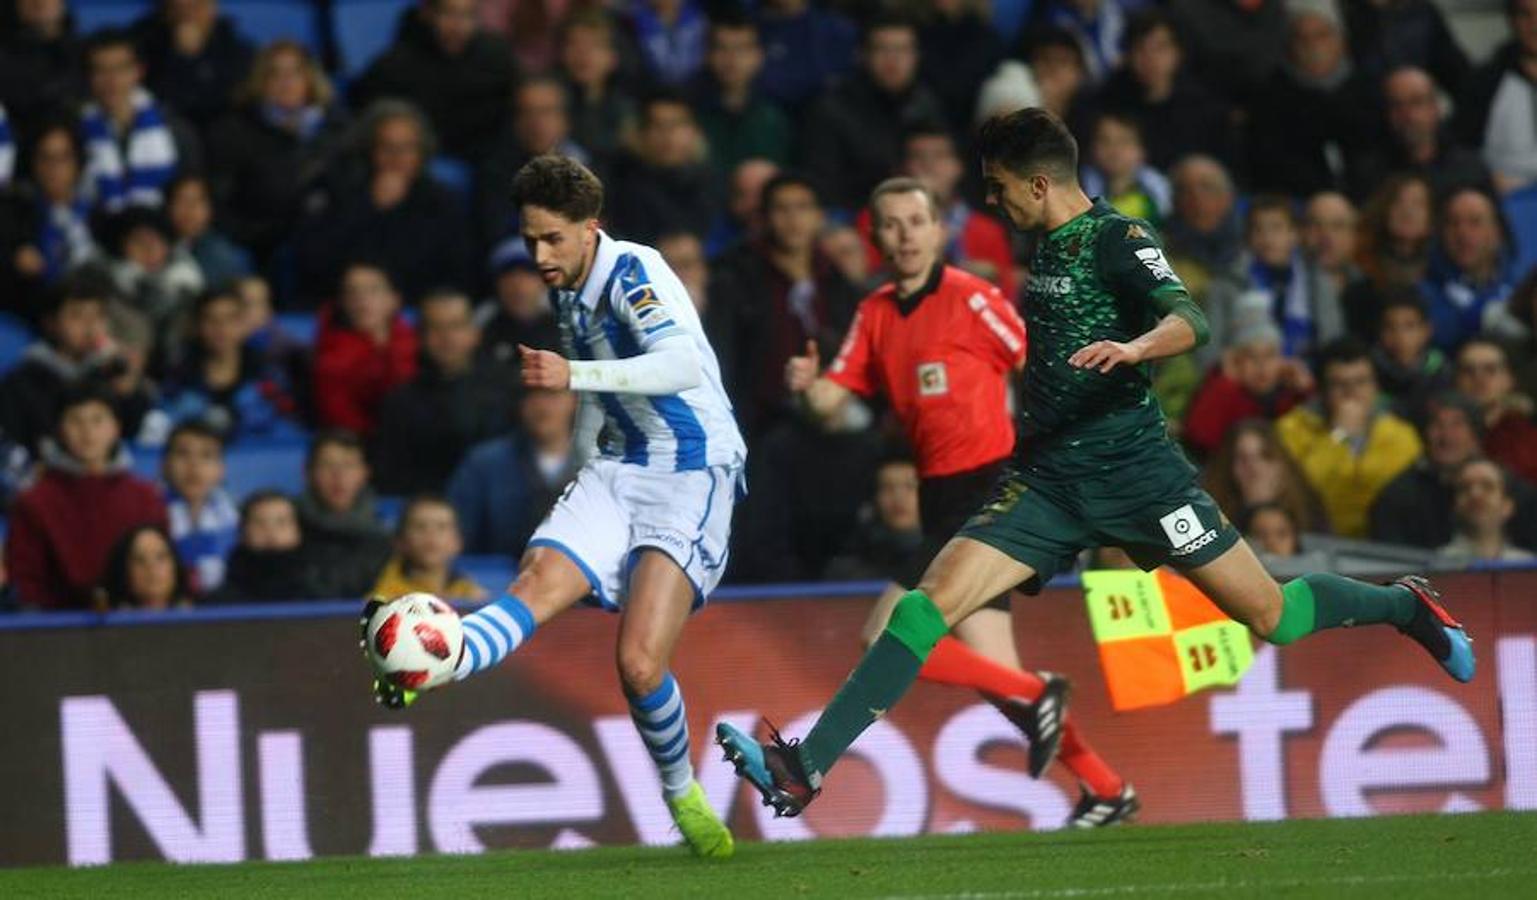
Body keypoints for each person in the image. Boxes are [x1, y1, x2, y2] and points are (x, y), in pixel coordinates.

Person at [715, 109, 1474, 819]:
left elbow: (1190, 318)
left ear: (1038, 184)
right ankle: (803, 768)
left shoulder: (1118, 237)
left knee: (1275, 618)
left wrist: (1137, 347)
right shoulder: (1043, 245)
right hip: (1046, 481)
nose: (990, 201)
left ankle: (1404, 606)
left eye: (998, 186)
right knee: (922, 608)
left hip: (1141, 477)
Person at [361, 154, 745, 859]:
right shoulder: (566, 292)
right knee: (534, 581)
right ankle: (432, 662)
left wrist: (573, 373)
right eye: (529, 239)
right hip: (617, 465)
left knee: (638, 664)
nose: (539, 255)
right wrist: (578, 473)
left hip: (690, 471)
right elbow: (595, 399)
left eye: (552, 239)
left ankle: (681, 793)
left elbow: (680, 365)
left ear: (589, 229)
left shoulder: (634, 272)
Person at [786, 175, 1135, 826]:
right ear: (875, 237)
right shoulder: (875, 313)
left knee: (884, 636)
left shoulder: (972, 298)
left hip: (989, 489)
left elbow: (1038, 362)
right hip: (940, 496)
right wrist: (807, 389)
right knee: (996, 677)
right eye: (890, 225)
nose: (904, 236)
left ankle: (1038, 694)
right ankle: (1105, 785)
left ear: (939, 230)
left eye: (915, 222)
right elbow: (830, 398)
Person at [709, 174, 859, 441]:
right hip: (759, 425)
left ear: (819, 216)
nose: (793, 219)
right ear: (764, 218)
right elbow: (724, 356)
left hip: (833, 415)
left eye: (803, 207)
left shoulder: (835, 280)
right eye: (782, 209)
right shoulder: (735, 277)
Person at [293, 100, 475, 307]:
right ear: (369, 150)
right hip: (347, 305)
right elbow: (315, 261)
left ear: (421, 153)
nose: (397, 158)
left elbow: (457, 270)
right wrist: (369, 207)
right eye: (387, 147)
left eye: (407, 148)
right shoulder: (340, 192)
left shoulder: (441, 201)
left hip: (418, 307)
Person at [5, 385, 168, 610]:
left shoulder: (146, 496)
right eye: (76, 421)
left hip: (139, 620)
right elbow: (27, 582)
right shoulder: (34, 502)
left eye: (97, 420)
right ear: (60, 430)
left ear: (116, 427)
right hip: (59, 623)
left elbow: (165, 570)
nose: (87, 432)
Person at [206, 40, 350, 270]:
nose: (286, 82)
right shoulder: (233, 132)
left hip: (328, 239)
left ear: (310, 79)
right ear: (260, 81)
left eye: (295, 73)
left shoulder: (338, 130)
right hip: (263, 245)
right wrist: (261, 235)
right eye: (275, 74)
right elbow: (219, 204)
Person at [371, 289, 517, 494]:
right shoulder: (400, 401)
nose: (446, 337)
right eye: (435, 328)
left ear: (475, 334)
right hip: (426, 504)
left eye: (455, 326)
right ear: (420, 337)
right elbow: (391, 474)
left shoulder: (509, 390)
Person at [798, 15, 945, 212]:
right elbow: (822, 185)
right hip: (854, 216)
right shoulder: (831, 109)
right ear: (862, 55)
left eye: (902, 50)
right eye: (882, 49)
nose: (893, 59)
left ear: (916, 56)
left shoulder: (927, 103)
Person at [854, 126, 1016, 298]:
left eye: (940, 156)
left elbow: (1007, 297)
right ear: (902, 168)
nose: (929, 165)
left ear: (959, 167)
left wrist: (981, 282)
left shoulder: (987, 231)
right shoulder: (876, 219)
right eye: (917, 156)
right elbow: (863, 286)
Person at [351, 0, 516, 164]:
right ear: (427, 14)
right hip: (414, 162)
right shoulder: (393, 66)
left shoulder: (495, 54)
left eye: (468, 15)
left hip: (488, 156)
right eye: (448, 13)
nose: (458, 25)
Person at [1369, 391, 1537, 550]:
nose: (1446, 436)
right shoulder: (1397, 498)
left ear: (1475, 435)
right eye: (1437, 425)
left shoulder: (1516, 494)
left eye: (1457, 424)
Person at [1245, 0, 1379, 198]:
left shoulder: (1368, 89)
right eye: (1302, 39)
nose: (1313, 47)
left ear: (1342, 41)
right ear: (1289, 46)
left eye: (1322, 36)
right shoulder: (1272, 98)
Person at [1095, 9, 1234, 172]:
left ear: (1178, 53)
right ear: (1128, 55)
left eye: (1160, 48)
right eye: (1140, 48)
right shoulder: (1107, 105)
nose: (1150, 58)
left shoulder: (1206, 110)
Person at [78, 28, 200, 211]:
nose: (111, 80)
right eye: (101, 70)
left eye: (120, 68)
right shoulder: (75, 132)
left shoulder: (175, 130)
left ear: (139, 71)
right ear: (88, 76)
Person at [448, 387, 580, 557]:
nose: (542, 406)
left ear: (575, 400)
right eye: (532, 396)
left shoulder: (597, 464)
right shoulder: (484, 463)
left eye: (552, 395)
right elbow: (456, 536)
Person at [159, 287, 300, 441]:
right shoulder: (178, 377)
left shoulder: (268, 375)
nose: (221, 328)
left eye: (230, 319)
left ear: (243, 324)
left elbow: (288, 432)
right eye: (211, 320)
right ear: (197, 326)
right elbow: (163, 428)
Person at [1183, 298, 1309, 459]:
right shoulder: (1223, 394)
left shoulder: (1293, 397)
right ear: (1235, 361)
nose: (1261, 366)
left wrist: (1305, 390)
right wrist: (1226, 384)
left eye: (1270, 355)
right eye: (1251, 356)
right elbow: (1200, 438)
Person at [476, 75, 591, 246]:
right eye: (526, 112)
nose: (536, 123)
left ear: (565, 119)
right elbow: (496, 234)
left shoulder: (592, 167)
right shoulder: (495, 173)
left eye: (546, 112)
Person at [312, 262, 419, 436]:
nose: (361, 299)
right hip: (354, 442)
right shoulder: (330, 357)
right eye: (352, 291)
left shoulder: (419, 345)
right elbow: (339, 418)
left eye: (373, 290)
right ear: (342, 302)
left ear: (394, 299)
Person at [1357, 67, 1492, 199]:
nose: (1407, 115)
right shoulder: (1370, 175)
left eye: (1416, 102)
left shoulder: (1468, 170)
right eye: (1397, 105)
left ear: (1435, 108)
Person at [605, 90, 716, 245]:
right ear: (640, 133)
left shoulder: (713, 184)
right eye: (657, 125)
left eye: (676, 125)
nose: (667, 135)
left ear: (695, 132)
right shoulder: (621, 185)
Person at [689, 13, 791, 177]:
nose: (732, 59)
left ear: (759, 56)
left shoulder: (780, 110)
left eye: (742, 49)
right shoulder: (688, 110)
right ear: (707, 55)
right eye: (722, 48)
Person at [130, 0, 253, 133]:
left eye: (195, 7)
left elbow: (237, 102)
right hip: (162, 130)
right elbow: (153, 99)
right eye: (177, 8)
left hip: (221, 133)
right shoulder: (143, 47)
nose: (187, 16)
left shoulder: (237, 50)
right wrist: (181, 59)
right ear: (165, 12)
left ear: (212, 9)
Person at [296, 429, 393, 598]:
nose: (338, 476)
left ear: (365, 473)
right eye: (327, 465)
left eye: (348, 465)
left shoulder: (385, 539)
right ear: (308, 473)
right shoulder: (287, 531)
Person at [1455, 0, 1537, 193]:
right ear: (1512, 20)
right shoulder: (1486, 83)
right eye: (1525, 15)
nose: (1535, 24)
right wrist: (1485, 180)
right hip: (1503, 196)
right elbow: (1462, 149)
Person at [1421, 188, 1516, 351]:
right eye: (1453, 223)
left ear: (1497, 233)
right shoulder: (1423, 290)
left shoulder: (1521, 282)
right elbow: (1433, 347)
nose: (1462, 232)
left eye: (1475, 222)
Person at [1203, 419, 1329, 534]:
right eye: (1242, 459)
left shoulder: (1310, 514)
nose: (1254, 468)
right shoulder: (1208, 521)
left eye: (1265, 456)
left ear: (1282, 465)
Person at [160, 420, 238, 594]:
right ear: (164, 465)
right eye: (183, 454)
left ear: (221, 470)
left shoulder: (236, 518)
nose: (194, 465)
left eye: (206, 456)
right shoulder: (147, 512)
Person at [824, 455, 925, 580]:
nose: (898, 497)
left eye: (910, 486)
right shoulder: (848, 570)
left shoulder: (943, 562)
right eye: (887, 488)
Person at [1453, 338, 1537, 486]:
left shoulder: (1528, 432)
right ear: (1456, 380)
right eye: (1468, 370)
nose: (1479, 378)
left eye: (1490, 369)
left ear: (1510, 378)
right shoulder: (1438, 429)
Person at [216, 490, 326, 602]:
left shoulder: (320, 593)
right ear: (243, 532)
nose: (271, 531)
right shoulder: (222, 601)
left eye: (281, 522)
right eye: (259, 523)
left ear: (298, 531)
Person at [371, 495, 487, 600]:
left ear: (457, 542)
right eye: (420, 526)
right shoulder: (385, 598)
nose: (431, 534)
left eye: (441, 527)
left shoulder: (470, 594)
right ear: (400, 541)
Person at [477, 241, 562, 374]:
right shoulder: (481, 326)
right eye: (509, 276)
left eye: (528, 275)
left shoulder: (568, 325)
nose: (518, 286)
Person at [1434, 459, 1537, 565]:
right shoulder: (1436, 565)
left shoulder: (1528, 565)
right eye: (1465, 488)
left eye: (1488, 486)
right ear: (1454, 506)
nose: (1475, 494)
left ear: (1507, 506)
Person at [1370, 288, 1449, 424]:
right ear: (1380, 332)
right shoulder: (1368, 373)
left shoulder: (1444, 373)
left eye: (1409, 326)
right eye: (1390, 327)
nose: (1399, 336)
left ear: (1427, 331)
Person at [1079, 112, 1170, 227]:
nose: (1114, 150)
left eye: (1124, 141)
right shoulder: (1079, 188)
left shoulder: (1155, 196)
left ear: (1142, 150)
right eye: (1104, 140)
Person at [165, 173, 250, 287]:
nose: (189, 209)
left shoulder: (228, 257)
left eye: (197, 201)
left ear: (210, 208)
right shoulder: (155, 248)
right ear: (168, 206)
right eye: (181, 200)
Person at [95, 524, 194, 610]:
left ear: (175, 566)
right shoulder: (107, 621)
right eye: (140, 560)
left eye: (160, 557)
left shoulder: (197, 614)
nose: (151, 567)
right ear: (124, 571)